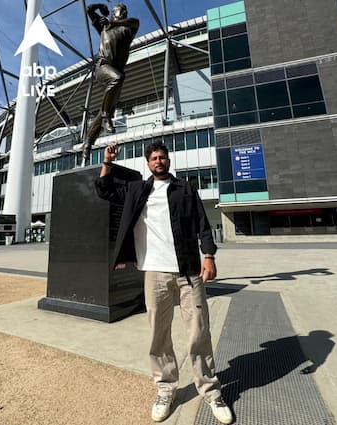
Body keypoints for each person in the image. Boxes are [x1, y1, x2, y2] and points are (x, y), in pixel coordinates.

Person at [95, 141, 234, 424]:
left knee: (199, 331)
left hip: (188, 271)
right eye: (154, 158)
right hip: (154, 272)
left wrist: (209, 256)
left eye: (163, 157)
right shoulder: (137, 190)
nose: (159, 161)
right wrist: (107, 162)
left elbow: (202, 224)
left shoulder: (185, 189)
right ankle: (165, 389)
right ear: (148, 164)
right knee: (159, 335)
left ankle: (210, 389)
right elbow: (105, 190)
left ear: (169, 161)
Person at [82, 3, 139, 163]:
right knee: (117, 79)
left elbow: (134, 21)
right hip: (103, 66)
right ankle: (107, 116)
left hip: (117, 70)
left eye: (124, 10)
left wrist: (115, 22)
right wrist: (100, 6)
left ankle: (87, 143)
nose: (124, 12)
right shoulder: (104, 28)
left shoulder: (129, 29)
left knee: (105, 108)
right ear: (113, 13)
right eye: (120, 10)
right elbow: (89, 11)